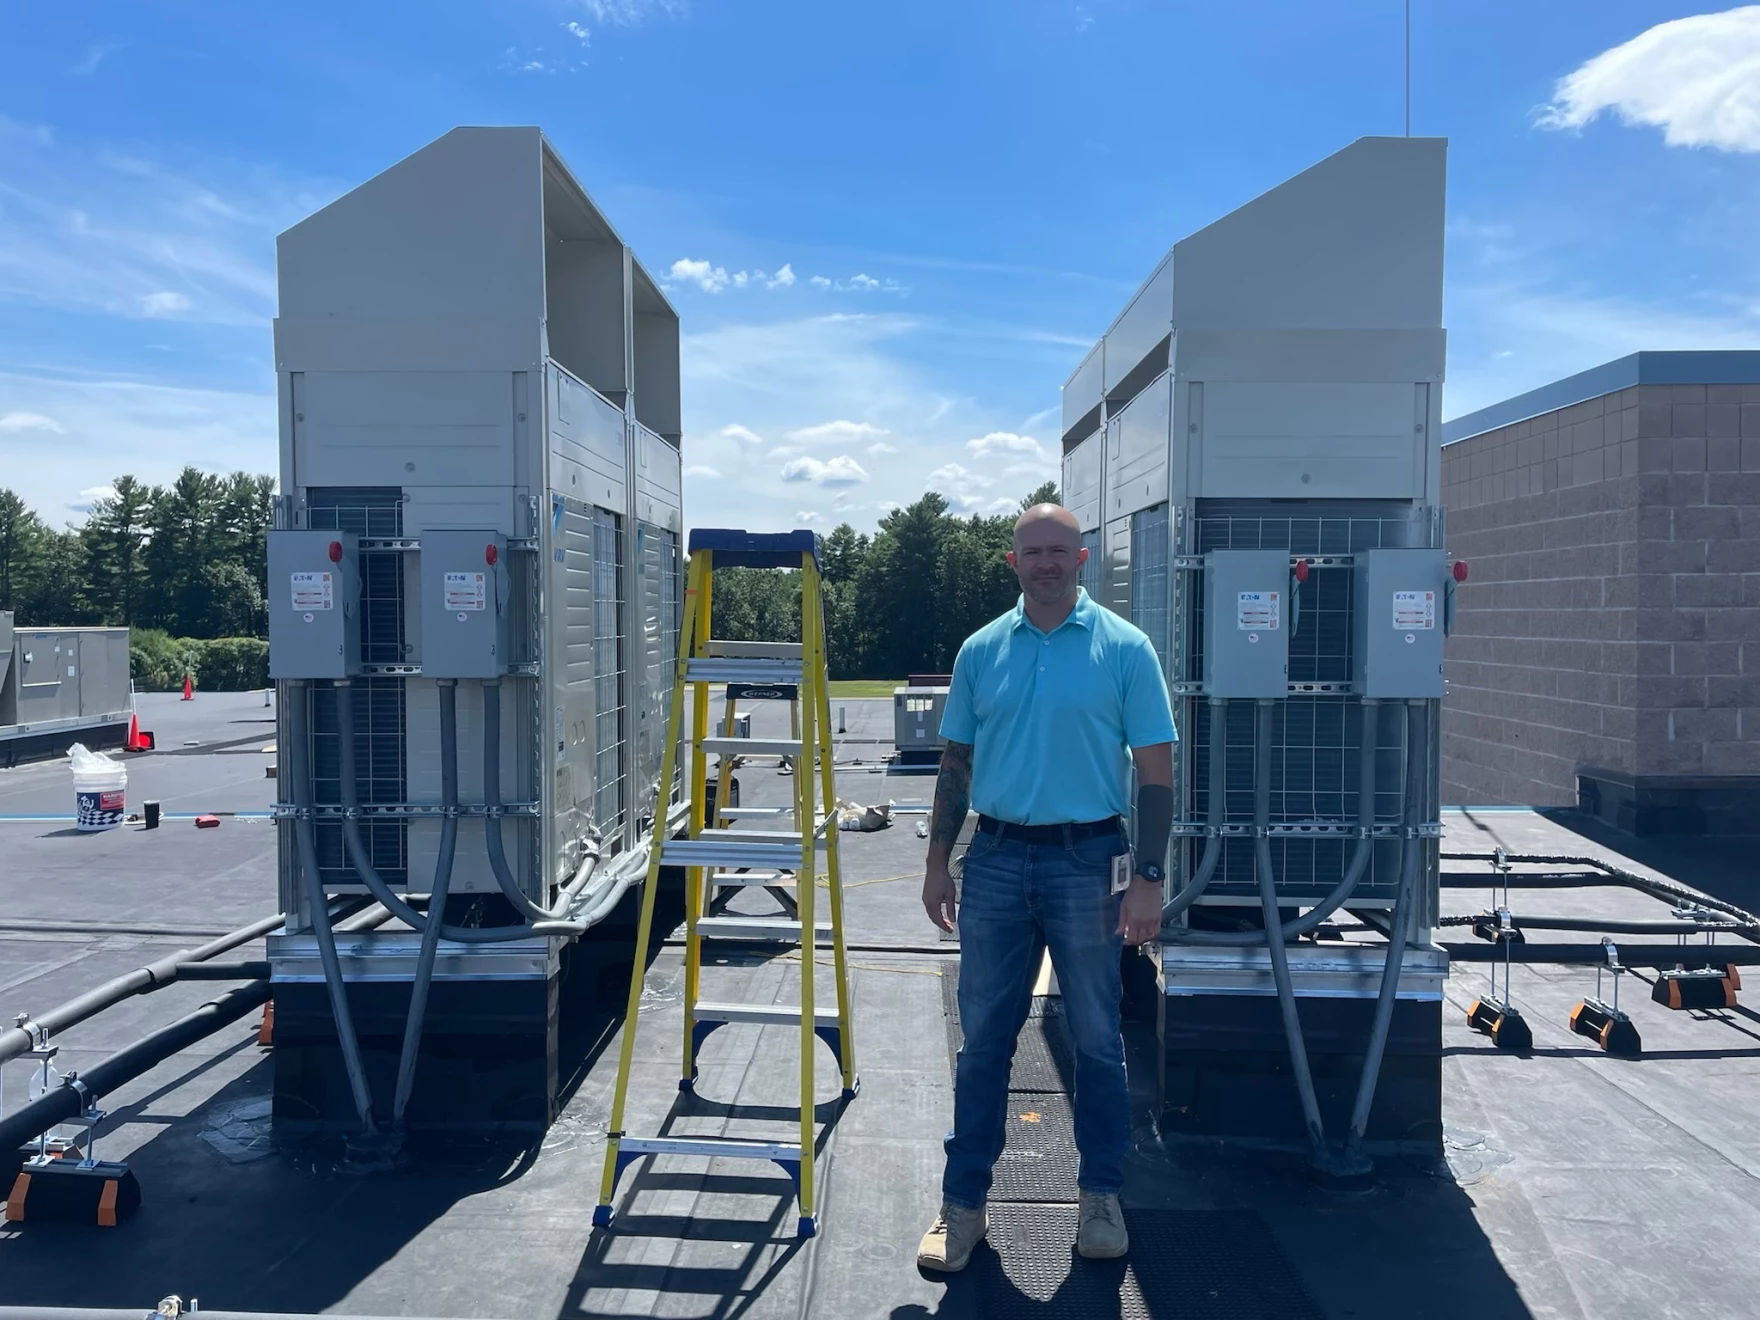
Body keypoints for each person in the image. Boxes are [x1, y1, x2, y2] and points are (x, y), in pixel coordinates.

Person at [916, 502, 1176, 1272]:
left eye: (1060, 550)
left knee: (1098, 1037)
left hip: (1091, 860)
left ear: (1084, 559)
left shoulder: (1124, 650)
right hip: (994, 860)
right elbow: (955, 763)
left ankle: (1099, 1197)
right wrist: (937, 861)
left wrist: (1150, 880)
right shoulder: (981, 651)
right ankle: (963, 1208)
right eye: (1034, 551)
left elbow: (1156, 773)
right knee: (983, 1043)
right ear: (1014, 563)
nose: (1048, 563)